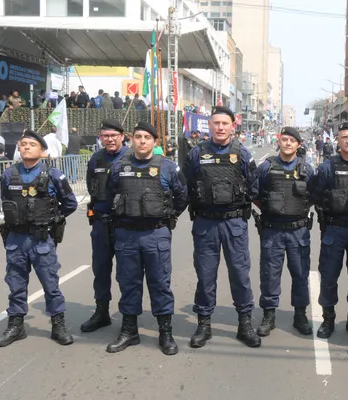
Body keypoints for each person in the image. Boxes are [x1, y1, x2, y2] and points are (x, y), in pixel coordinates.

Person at [105, 121, 188, 356]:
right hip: (126, 234)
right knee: (128, 283)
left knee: (160, 284)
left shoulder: (168, 168)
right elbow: (112, 193)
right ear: (131, 139)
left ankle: (166, 332)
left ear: (155, 142)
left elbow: (182, 197)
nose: (142, 141)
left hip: (155, 234)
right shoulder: (119, 166)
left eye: (147, 137)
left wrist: (166, 216)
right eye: (138, 136)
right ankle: (129, 330)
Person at [182, 106, 261, 349]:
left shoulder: (243, 154)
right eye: (215, 123)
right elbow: (185, 186)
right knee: (205, 276)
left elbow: (255, 187)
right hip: (205, 223)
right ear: (210, 126)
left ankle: (244, 324)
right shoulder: (196, 154)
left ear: (232, 126)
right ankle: (203, 324)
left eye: (224, 123)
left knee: (240, 274)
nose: (220, 127)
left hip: (234, 222)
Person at [0, 130, 77, 347]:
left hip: (41, 240)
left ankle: (58, 324)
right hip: (16, 239)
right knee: (16, 284)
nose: (26, 147)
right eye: (23, 144)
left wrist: (52, 219)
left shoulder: (53, 174)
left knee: (50, 283)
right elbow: (5, 200)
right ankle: (16, 325)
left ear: (42, 150)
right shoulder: (8, 174)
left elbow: (70, 203)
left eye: (32, 144)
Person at [308, 122, 348, 339]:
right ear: (338, 141)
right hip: (334, 230)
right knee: (329, 276)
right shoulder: (328, 167)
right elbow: (314, 194)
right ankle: (328, 317)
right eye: (343, 137)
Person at [253, 127, 316, 338]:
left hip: (298, 231)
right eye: (285, 139)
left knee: (300, 274)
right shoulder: (267, 168)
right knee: (270, 275)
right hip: (273, 231)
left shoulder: (308, 170)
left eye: (292, 140)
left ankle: (300, 315)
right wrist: (271, 209)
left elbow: (315, 195)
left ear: (298, 145)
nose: (288, 143)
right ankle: (268, 316)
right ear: (279, 141)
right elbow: (255, 193)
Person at [80, 119, 129, 333]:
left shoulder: (131, 157)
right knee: (100, 269)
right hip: (101, 223)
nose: (109, 139)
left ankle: (129, 317)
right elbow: (92, 184)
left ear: (122, 136)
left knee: (127, 273)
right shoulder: (96, 159)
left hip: (125, 224)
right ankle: (102, 312)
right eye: (105, 136)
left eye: (113, 135)